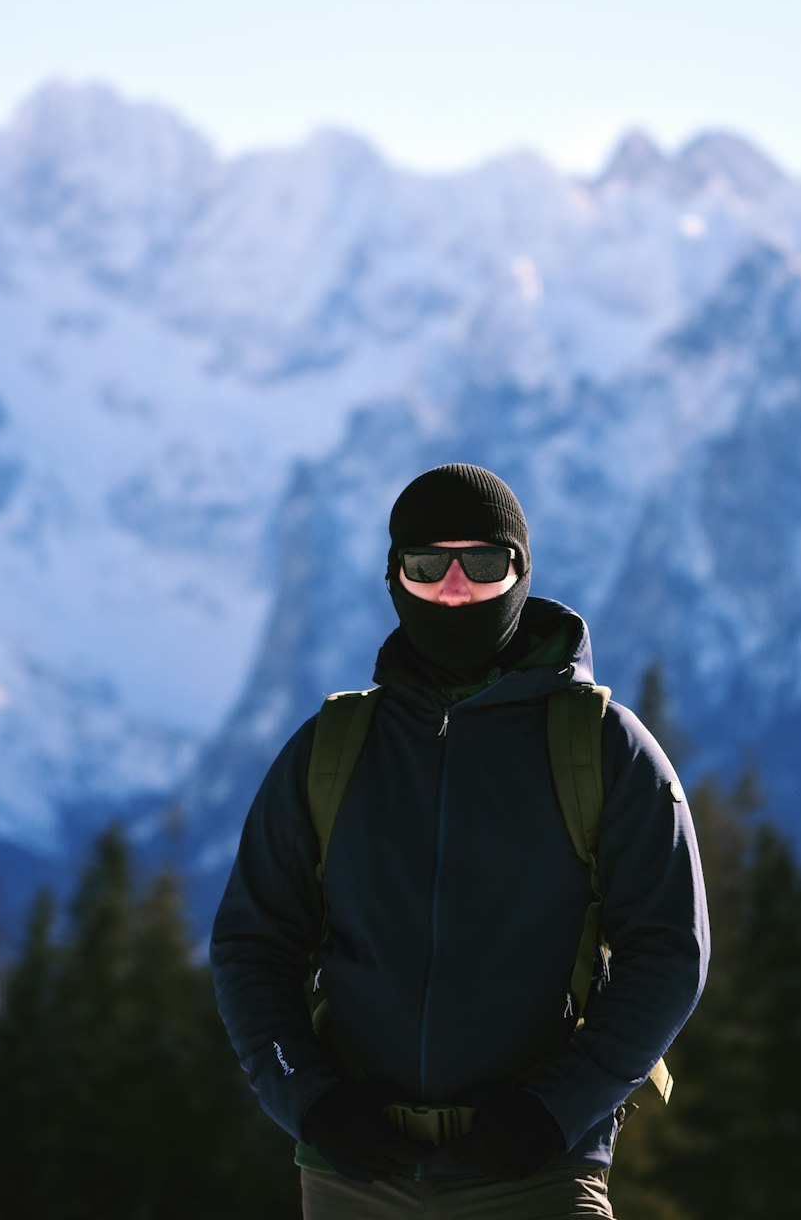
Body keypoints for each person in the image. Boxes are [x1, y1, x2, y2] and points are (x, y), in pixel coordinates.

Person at [210, 463, 709, 1218]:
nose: (453, 588)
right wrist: (309, 1102)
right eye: (426, 564)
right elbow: (254, 943)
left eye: (480, 563)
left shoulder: (603, 748)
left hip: (540, 1175)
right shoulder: (332, 750)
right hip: (354, 1177)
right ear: (394, 577)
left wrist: (555, 1110)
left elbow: (671, 952)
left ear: (519, 572)